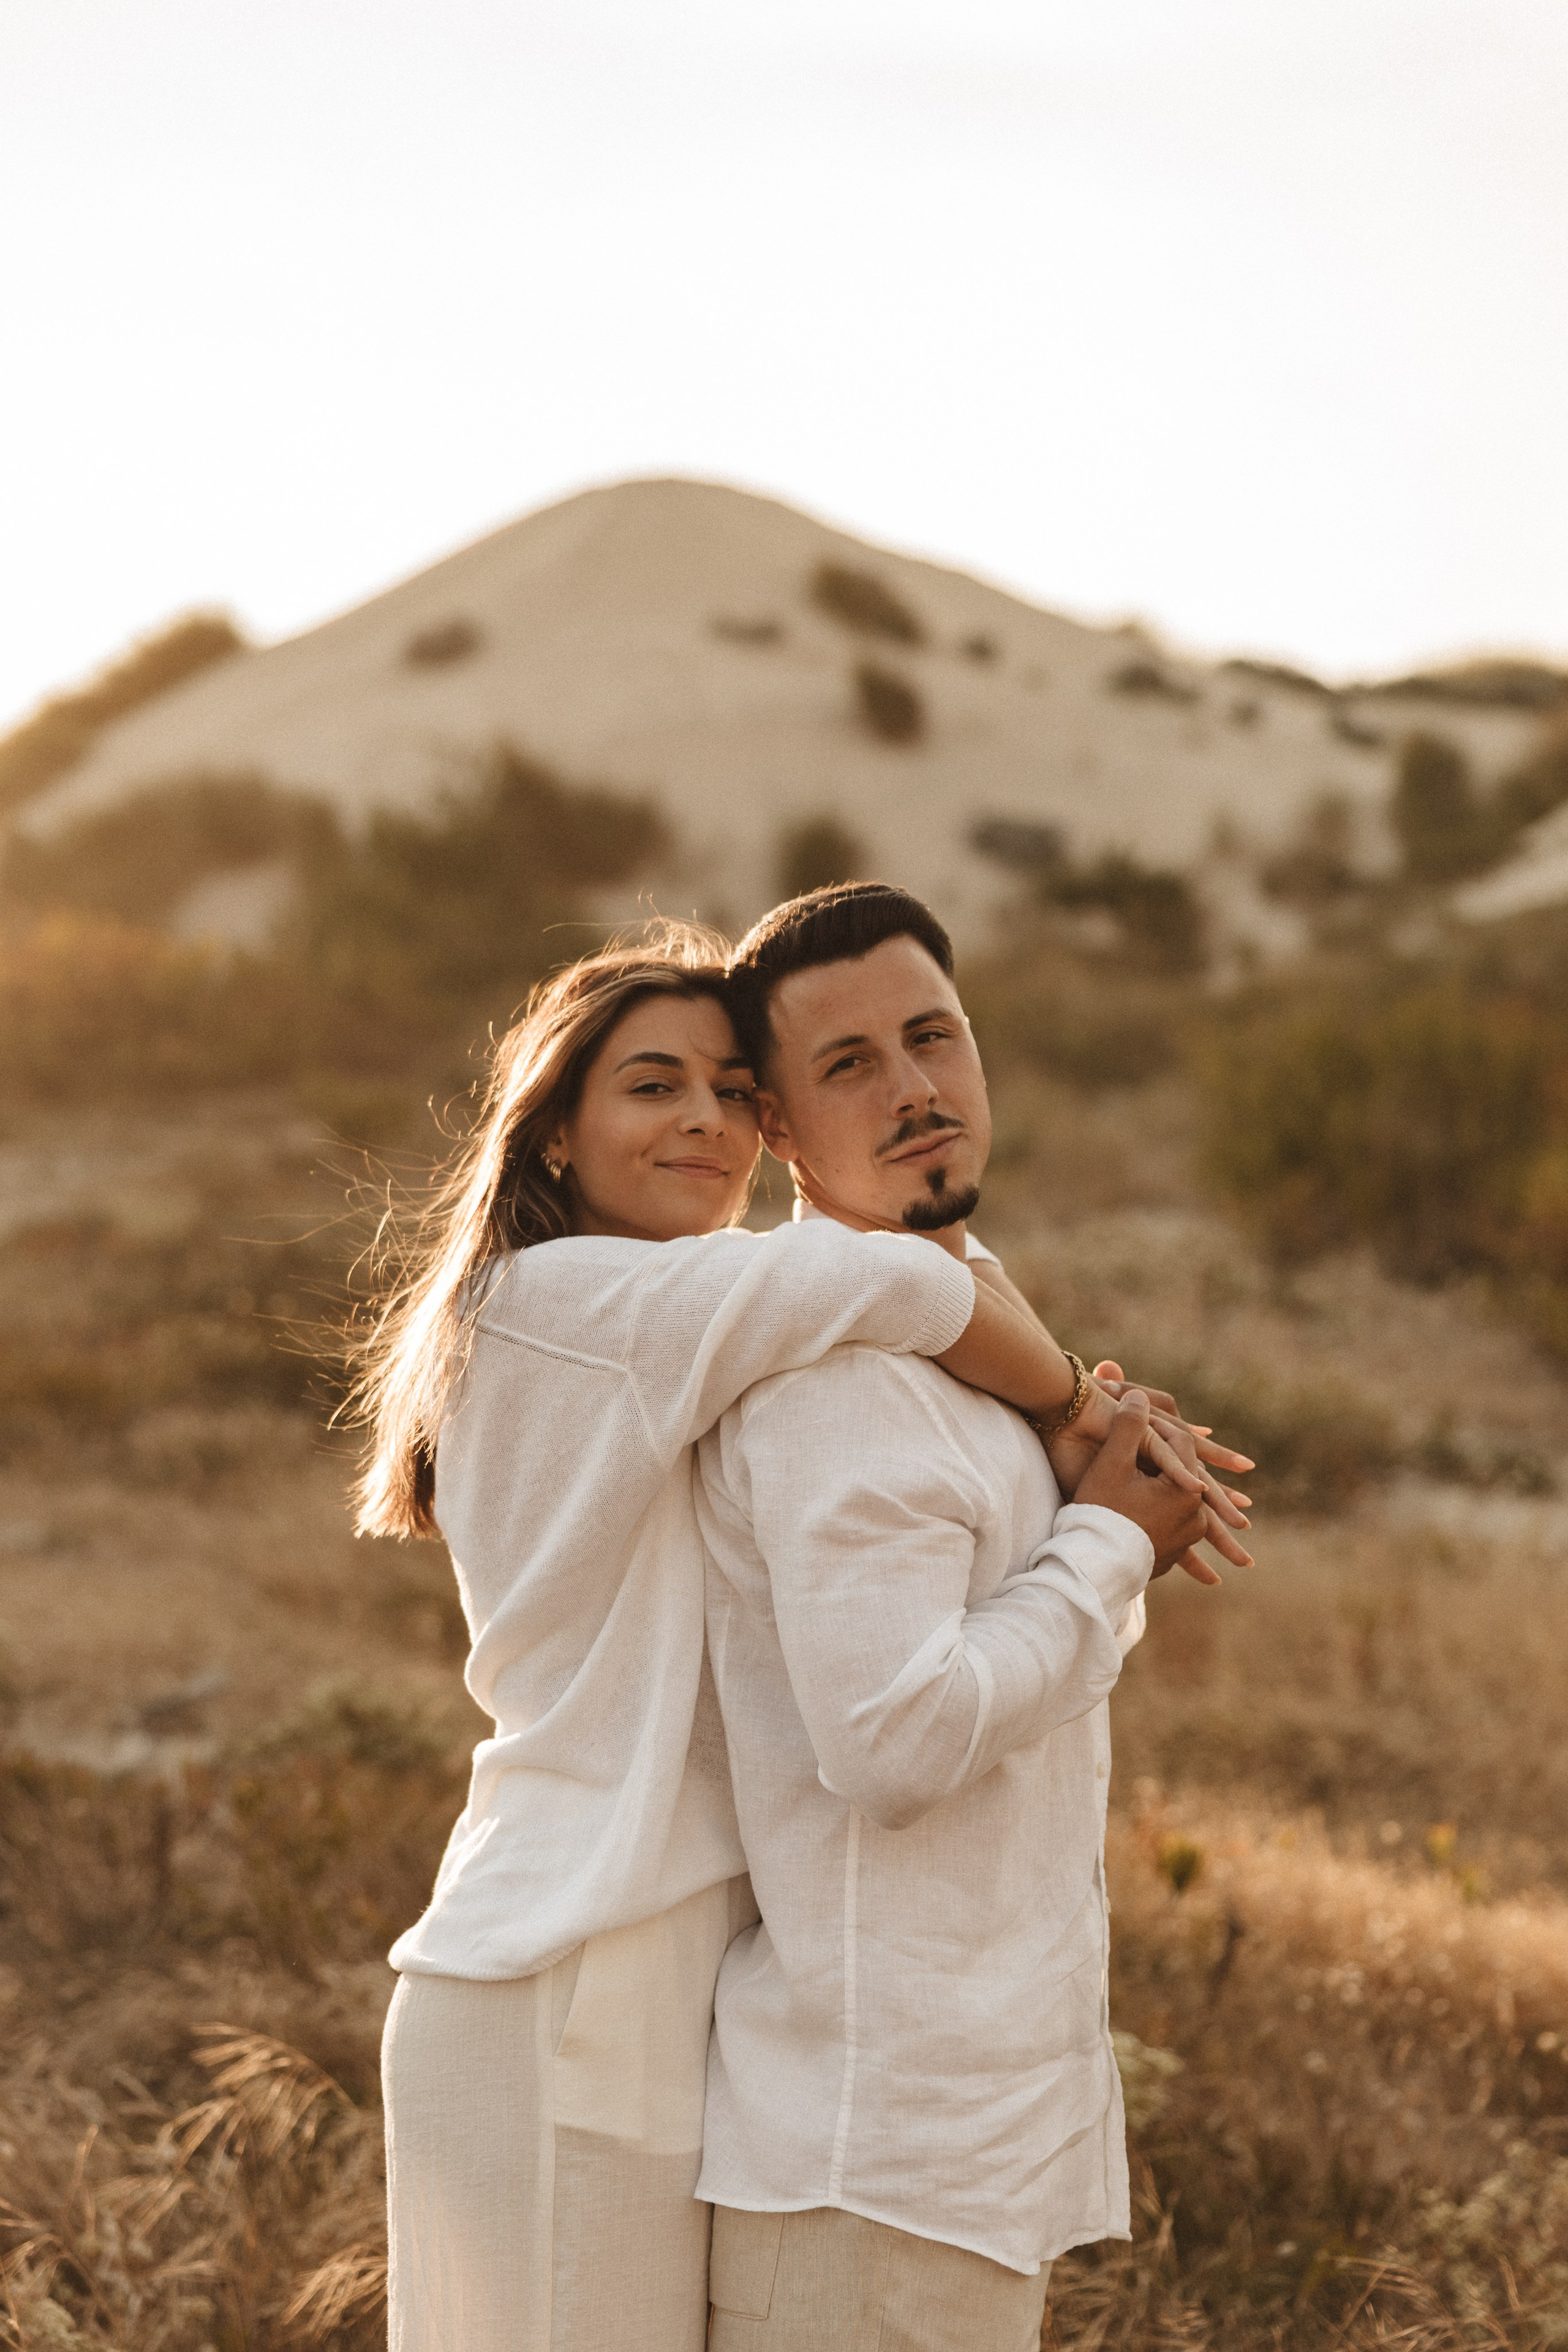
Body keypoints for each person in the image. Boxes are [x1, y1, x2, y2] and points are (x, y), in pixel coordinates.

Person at [356, 923, 1241, 2352]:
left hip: (645, 1956)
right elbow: (904, 1281)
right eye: (651, 1087)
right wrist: (1076, 1408)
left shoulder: (690, 1331)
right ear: (556, 1139)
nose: (705, 1119)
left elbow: (907, 1275)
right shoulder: (567, 1303)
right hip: (565, 1960)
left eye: (727, 1089)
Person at [698, 883, 1246, 2351]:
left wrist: (1090, 1513)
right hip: (871, 2174)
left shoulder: (970, 1319)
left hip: (953, 2155)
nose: (914, 1090)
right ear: (777, 1133)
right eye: (849, 1066)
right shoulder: (841, 1385)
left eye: (931, 1039)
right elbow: (893, 1742)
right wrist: (1105, 1548)